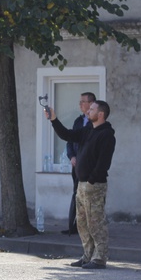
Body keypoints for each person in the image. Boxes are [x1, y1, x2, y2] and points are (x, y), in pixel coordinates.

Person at [46, 100, 116, 269]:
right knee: (82, 223)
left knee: (96, 223)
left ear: (100, 114)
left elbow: (103, 164)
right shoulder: (88, 130)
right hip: (81, 185)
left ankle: (99, 259)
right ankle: (87, 256)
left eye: (91, 109)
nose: (87, 111)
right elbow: (67, 135)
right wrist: (54, 119)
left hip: (95, 186)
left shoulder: (106, 135)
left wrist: (91, 180)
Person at [63, 92, 96, 236]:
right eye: (80, 101)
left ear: (91, 103)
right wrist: (71, 156)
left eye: (83, 101)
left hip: (88, 167)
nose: (80, 104)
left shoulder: (94, 122)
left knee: (88, 197)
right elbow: (70, 140)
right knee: (76, 194)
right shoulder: (78, 121)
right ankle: (72, 227)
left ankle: (88, 228)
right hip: (76, 165)